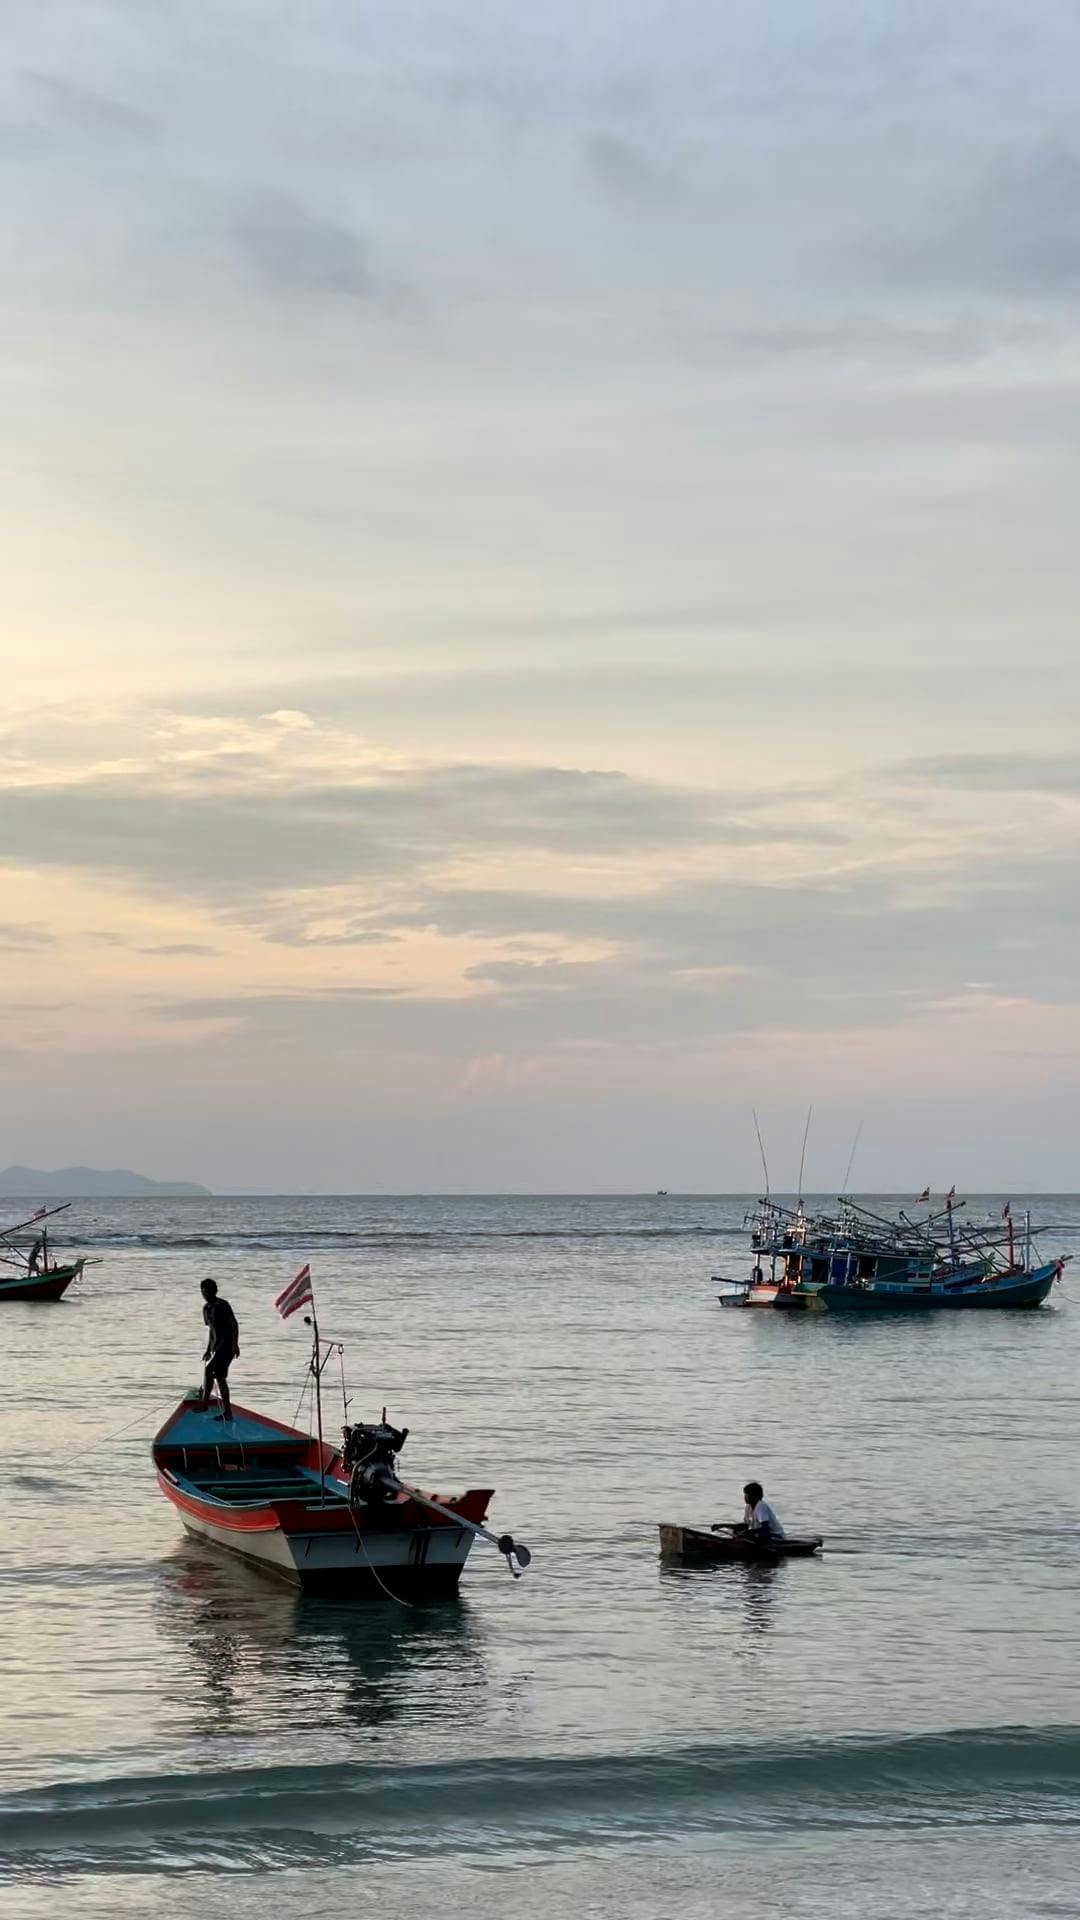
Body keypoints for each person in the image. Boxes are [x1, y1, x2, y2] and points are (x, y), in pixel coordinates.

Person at [199, 1278, 239, 1421]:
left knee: (215, 1374)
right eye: (203, 1291)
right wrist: (208, 1350)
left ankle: (221, 1410)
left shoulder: (222, 1305)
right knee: (213, 1373)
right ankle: (208, 1404)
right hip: (217, 1347)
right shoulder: (206, 1309)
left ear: (214, 1291)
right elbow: (211, 1331)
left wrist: (235, 1344)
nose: (205, 1293)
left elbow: (234, 1325)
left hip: (227, 1346)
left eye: (207, 1290)